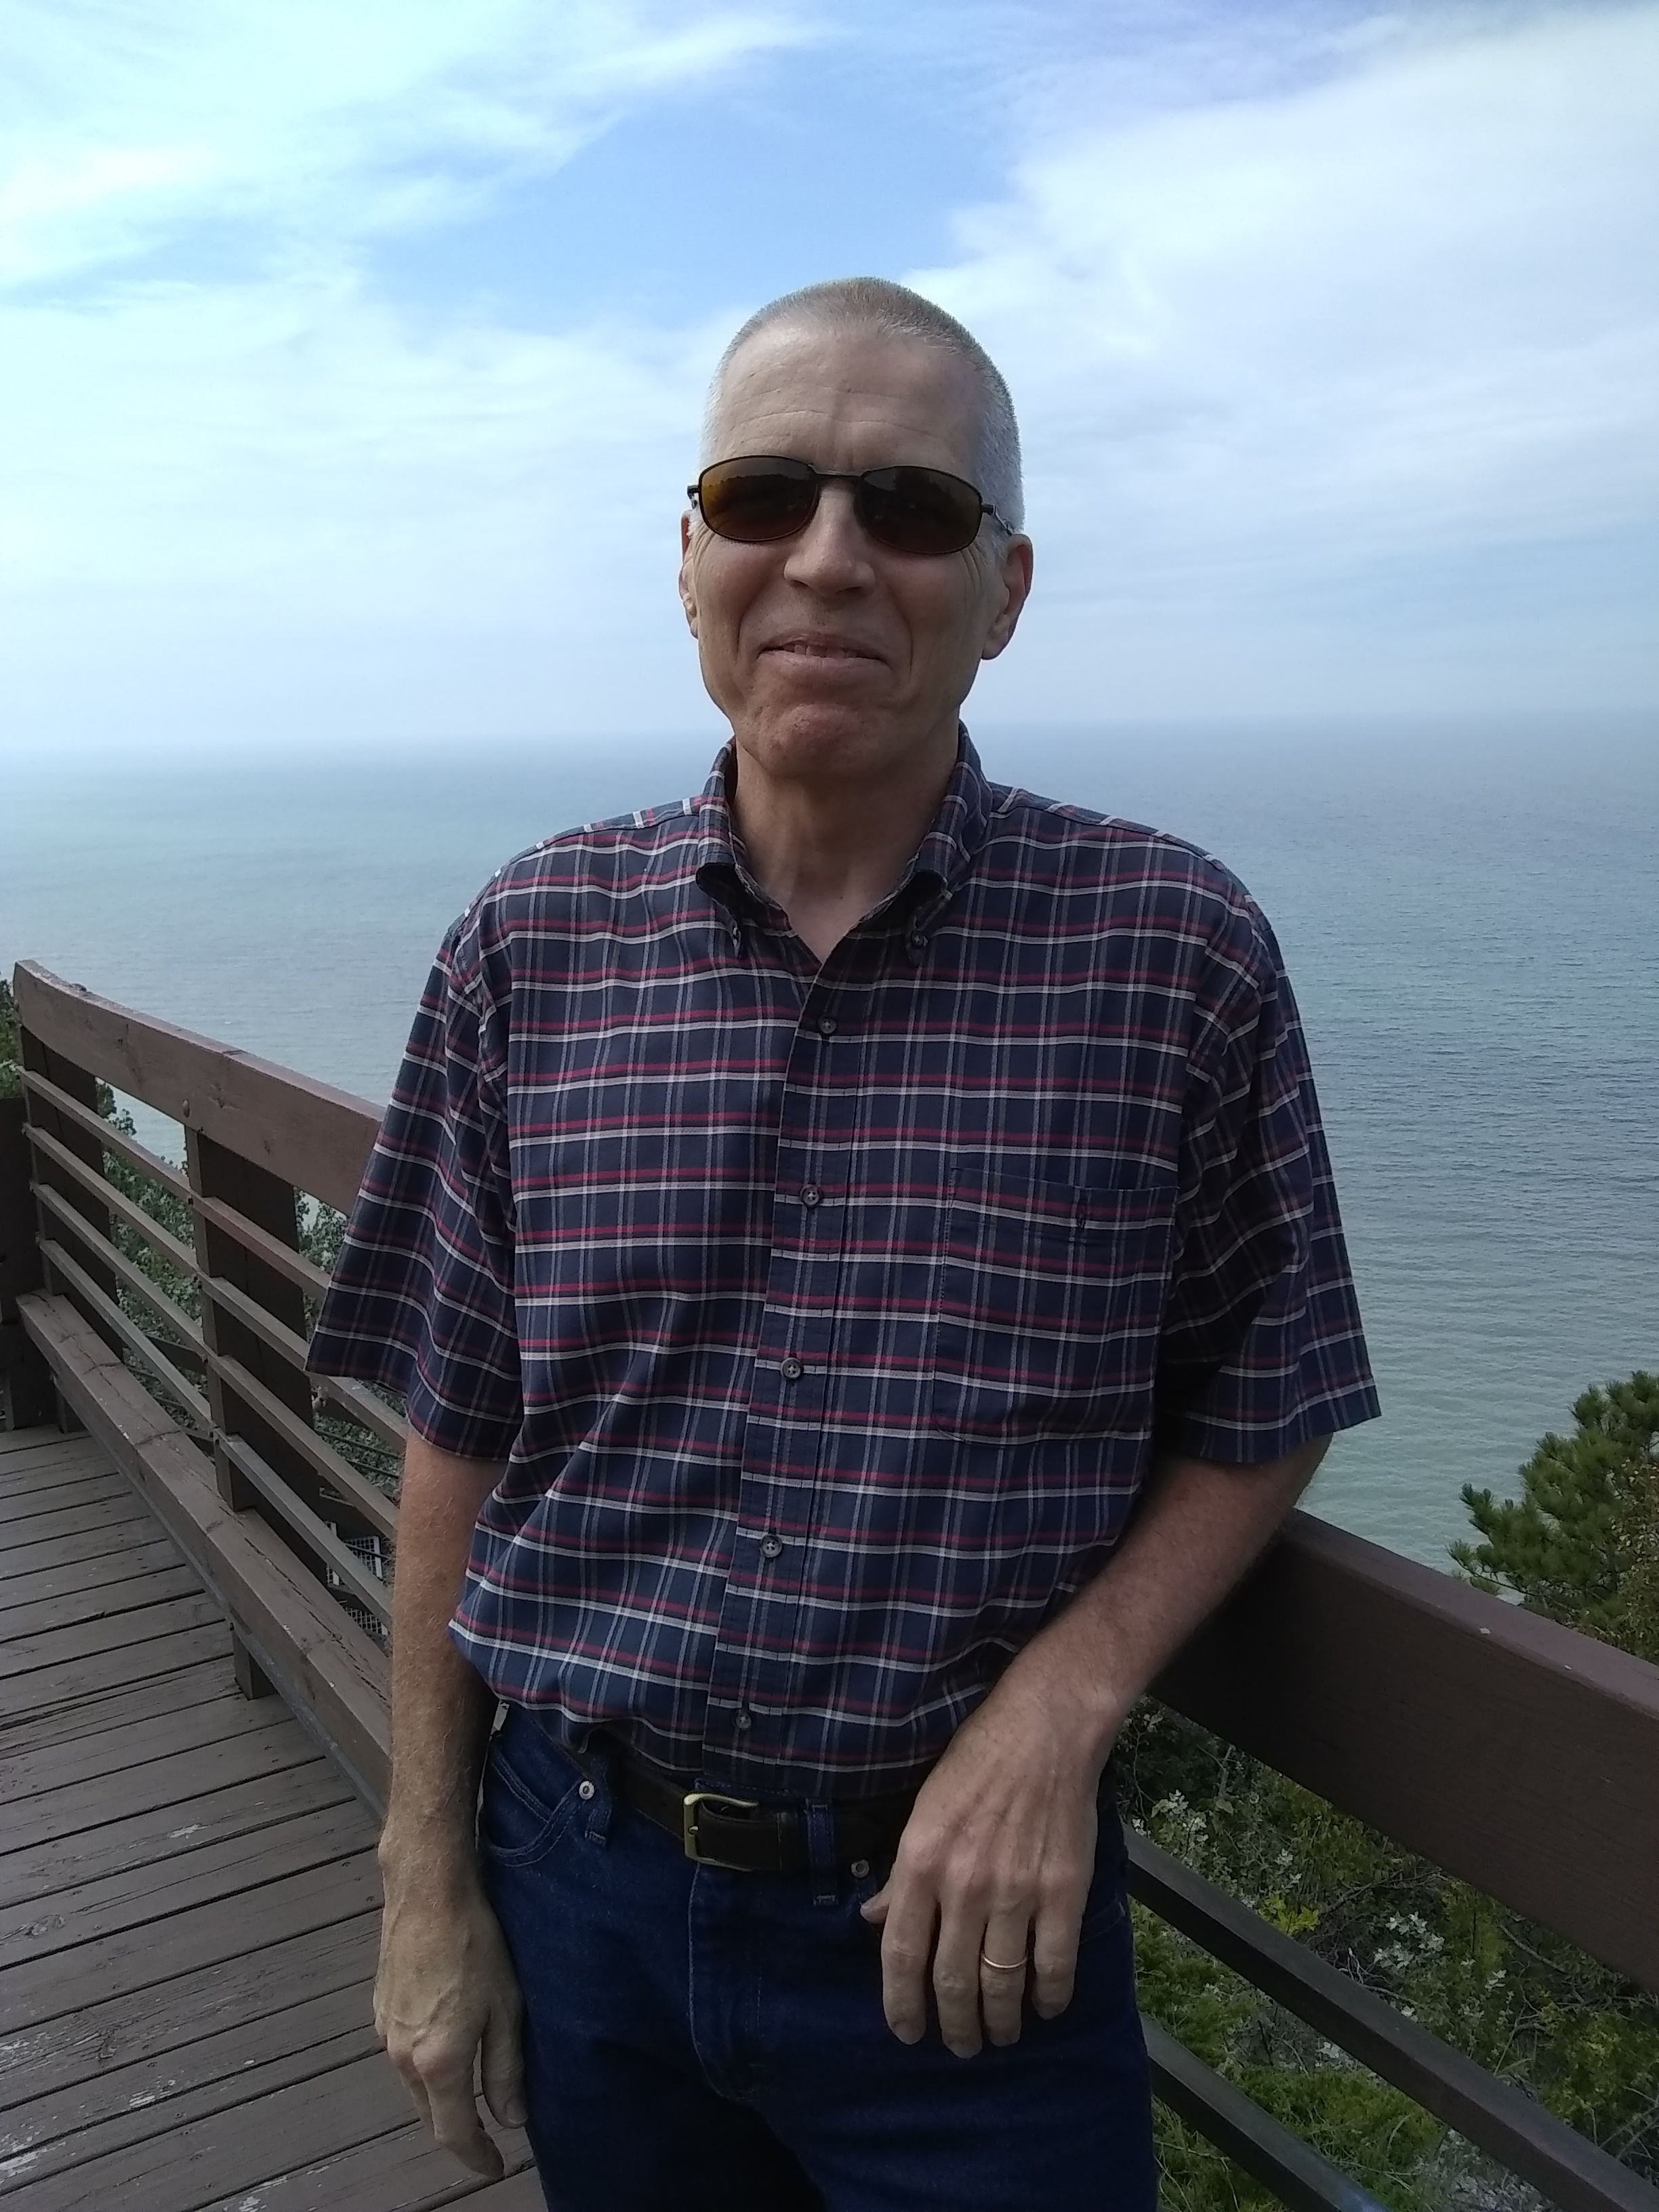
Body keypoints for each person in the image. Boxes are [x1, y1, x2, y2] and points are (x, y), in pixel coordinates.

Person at [307, 275, 1379, 2211]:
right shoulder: (531, 945)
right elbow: (458, 1429)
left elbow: (1271, 1392)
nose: (827, 559)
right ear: (690, 558)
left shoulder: (1171, 953)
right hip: (583, 1882)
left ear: (1006, 587)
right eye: (762, 495)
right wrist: (423, 1872)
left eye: (911, 507)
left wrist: (1064, 1704)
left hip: (969, 1933)